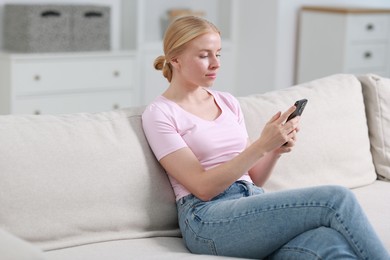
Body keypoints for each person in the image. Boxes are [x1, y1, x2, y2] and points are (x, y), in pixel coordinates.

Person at [142, 15, 389, 259]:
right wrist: (261, 145)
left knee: (331, 246)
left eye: (218, 53)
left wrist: (274, 150)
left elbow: (255, 178)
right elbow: (203, 188)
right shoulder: (160, 114)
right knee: (337, 199)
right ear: (175, 59)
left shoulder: (226, 102)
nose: (215, 63)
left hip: (251, 204)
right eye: (204, 55)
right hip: (206, 219)